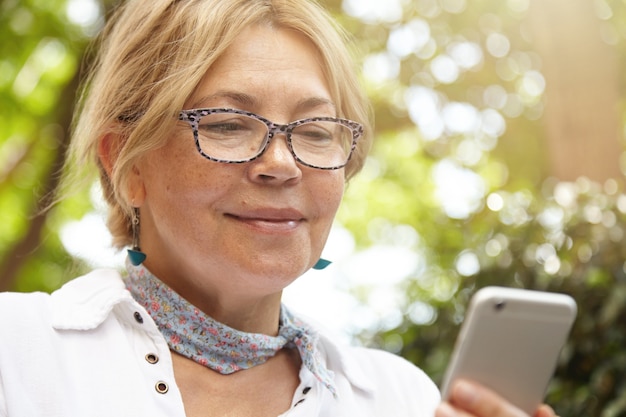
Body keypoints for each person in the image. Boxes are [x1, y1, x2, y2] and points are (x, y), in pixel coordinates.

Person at [0, 0, 559, 416]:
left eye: (316, 132)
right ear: (127, 162)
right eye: (226, 124)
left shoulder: (401, 398)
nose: (281, 164)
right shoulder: (16, 351)